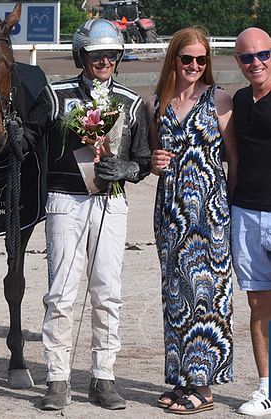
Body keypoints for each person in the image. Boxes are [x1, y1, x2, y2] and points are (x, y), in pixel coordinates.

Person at [25, 19, 151, 411]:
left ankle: (103, 377)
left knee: (107, 294)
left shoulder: (131, 103)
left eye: (112, 54)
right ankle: (57, 378)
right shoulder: (55, 94)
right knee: (61, 293)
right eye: (97, 54)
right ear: (82, 55)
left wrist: (128, 170)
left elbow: (143, 161)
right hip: (65, 200)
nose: (105, 60)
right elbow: (28, 138)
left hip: (112, 203)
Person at [149, 27, 237, 415]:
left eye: (202, 60)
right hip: (169, 212)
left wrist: (225, 209)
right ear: (174, 59)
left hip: (208, 214)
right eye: (188, 59)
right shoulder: (157, 102)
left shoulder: (219, 99)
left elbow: (233, 159)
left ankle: (204, 385)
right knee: (176, 297)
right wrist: (155, 163)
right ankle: (182, 379)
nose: (195, 66)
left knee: (207, 297)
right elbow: (155, 155)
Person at [231, 27, 271, 417]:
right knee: (258, 305)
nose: (256, 62)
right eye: (247, 57)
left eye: (263, 54)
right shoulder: (239, 101)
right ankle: (264, 388)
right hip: (244, 214)